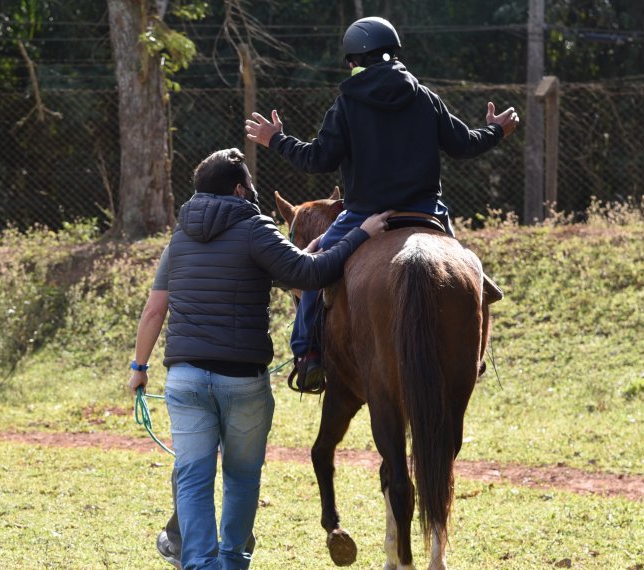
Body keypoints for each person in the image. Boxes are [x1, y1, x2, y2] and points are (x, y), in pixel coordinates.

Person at [127, 148, 390, 570]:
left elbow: (155, 309)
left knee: (193, 477)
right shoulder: (255, 228)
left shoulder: (179, 238)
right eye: (249, 185)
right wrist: (361, 233)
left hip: (185, 379)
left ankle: (198, 564)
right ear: (238, 188)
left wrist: (139, 369)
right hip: (241, 382)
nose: (253, 192)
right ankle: (232, 563)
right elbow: (309, 274)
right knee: (242, 477)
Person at [244, 16, 520, 391]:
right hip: (427, 213)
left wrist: (276, 140)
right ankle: (473, 347)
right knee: (468, 270)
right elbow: (463, 145)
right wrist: (496, 130)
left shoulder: (346, 105)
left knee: (314, 270)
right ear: (395, 54)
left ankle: (308, 354)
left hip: (362, 215)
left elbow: (317, 160)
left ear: (354, 60)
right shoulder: (424, 97)